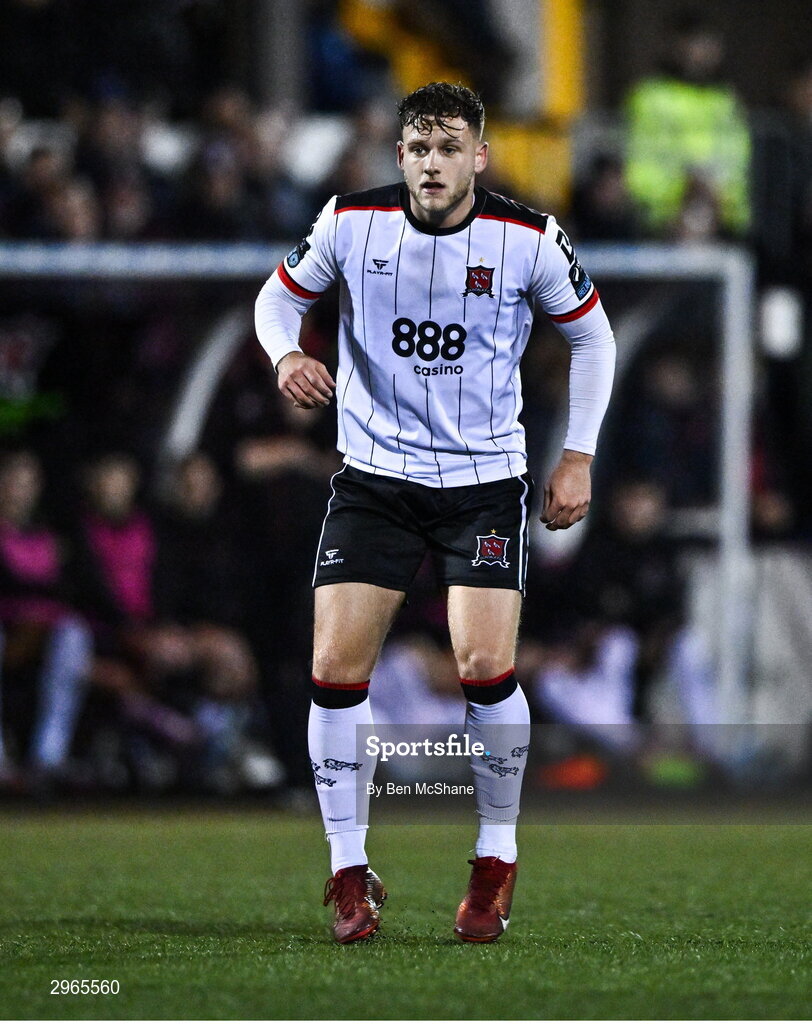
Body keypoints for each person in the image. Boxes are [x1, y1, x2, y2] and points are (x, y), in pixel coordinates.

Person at [255, 82, 615, 944]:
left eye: (448, 147)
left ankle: (495, 858)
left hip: (484, 481)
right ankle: (349, 870)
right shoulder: (349, 222)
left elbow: (592, 334)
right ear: (400, 156)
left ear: (478, 157)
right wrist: (283, 358)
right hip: (375, 478)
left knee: (484, 665)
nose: (430, 162)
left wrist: (578, 453)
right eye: (417, 148)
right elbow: (278, 298)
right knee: (335, 669)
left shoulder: (527, 237)